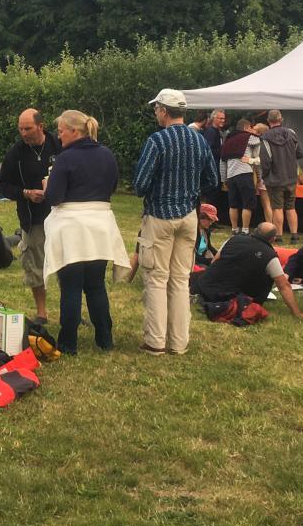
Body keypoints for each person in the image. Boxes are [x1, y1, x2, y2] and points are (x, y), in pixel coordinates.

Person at [131, 88, 218, 357]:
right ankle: (179, 342)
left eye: (156, 109)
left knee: (157, 279)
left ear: (163, 111)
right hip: (188, 216)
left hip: (160, 215)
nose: (156, 113)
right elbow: (212, 180)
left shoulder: (157, 141)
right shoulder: (199, 140)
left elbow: (140, 185)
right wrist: (190, 191)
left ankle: (155, 341)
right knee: (180, 280)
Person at [43, 109, 129, 355]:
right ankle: (105, 338)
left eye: (61, 131)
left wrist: (47, 186)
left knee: (71, 286)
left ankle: (68, 342)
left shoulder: (65, 159)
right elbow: (111, 187)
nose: (59, 136)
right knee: (95, 285)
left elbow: (54, 197)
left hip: (72, 227)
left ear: (74, 131)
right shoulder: (107, 155)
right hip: (100, 226)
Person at [0, 108, 61, 324]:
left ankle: (71, 311)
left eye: (28, 128)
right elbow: (3, 185)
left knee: (67, 264)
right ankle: (42, 313)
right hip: (33, 218)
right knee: (34, 264)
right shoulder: (16, 153)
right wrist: (26, 193)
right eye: (21, 129)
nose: (24, 133)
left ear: (41, 126)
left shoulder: (58, 144)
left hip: (62, 215)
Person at [193, 223, 303, 321]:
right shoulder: (270, 256)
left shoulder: (233, 239)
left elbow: (214, 262)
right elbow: (283, 286)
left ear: (255, 231)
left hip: (205, 289)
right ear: (273, 239)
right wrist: (297, 313)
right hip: (232, 297)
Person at [260, 109, 303, 243]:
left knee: (277, 208)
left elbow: (265, 161)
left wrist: (265, 175)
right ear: (281, 119)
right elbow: (300, 153)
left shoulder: (265, 137)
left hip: (274, 179)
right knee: (291, 207)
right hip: (291, 177)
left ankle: (278, 237)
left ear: (268, 121)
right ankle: (294, 236)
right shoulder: (292, 134)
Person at [219, 118, 260, 234]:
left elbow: (222, 162)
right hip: (245, 173)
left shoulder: (227, 141)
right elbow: (258, 156)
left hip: (231, 176)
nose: (252, 130)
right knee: (247, 203)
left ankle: (234, 229)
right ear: (246, 128)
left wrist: (224, 179)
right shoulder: (250, 138)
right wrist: (259, 175)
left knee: (233, 204)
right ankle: (245, 230)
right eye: (250, 128)